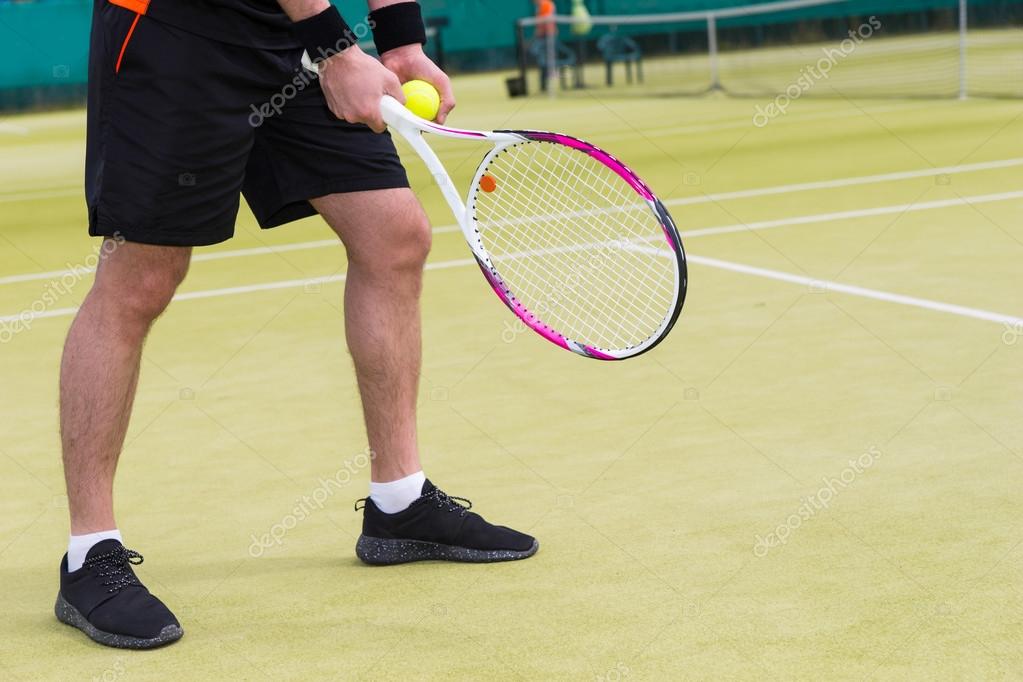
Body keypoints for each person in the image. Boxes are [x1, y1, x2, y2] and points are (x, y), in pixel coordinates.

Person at [56, 0, 538, 650]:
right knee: (140, 278)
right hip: (172, 28)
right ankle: (90, 553)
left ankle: (399, 503)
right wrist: (338, 51)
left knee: (393, 235)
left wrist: (400, 40)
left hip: (291, 33)